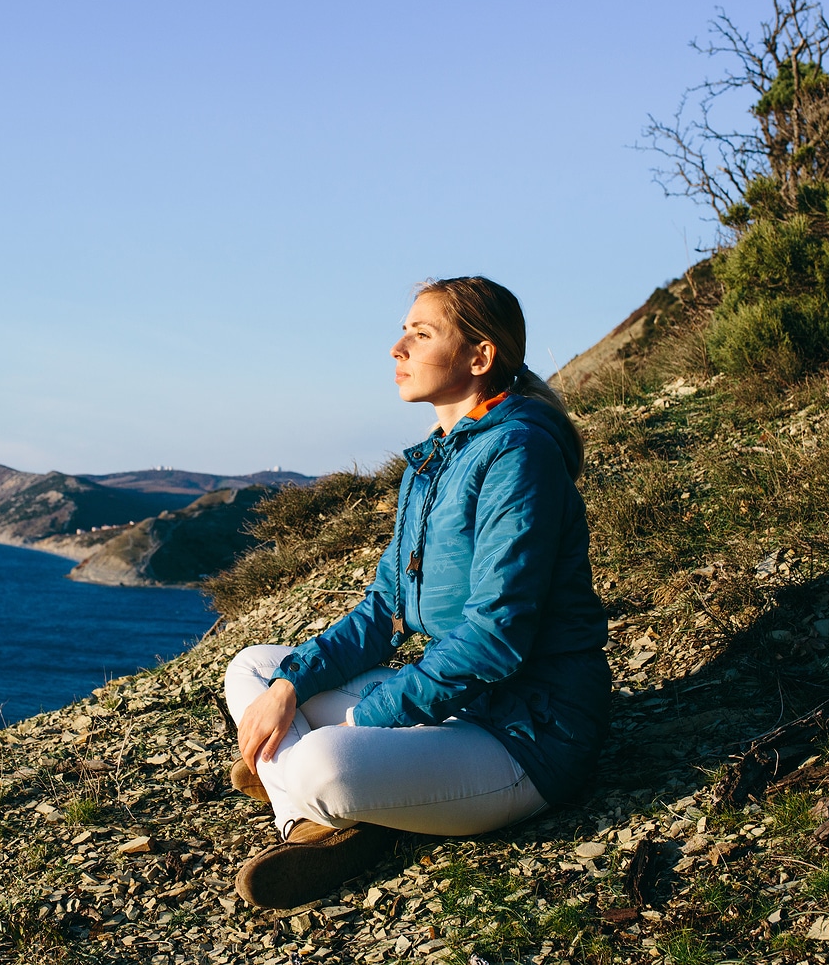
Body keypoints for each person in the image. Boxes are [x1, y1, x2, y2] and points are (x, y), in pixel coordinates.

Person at [223, 276, 610, 909]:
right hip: (459, 709)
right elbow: (384, 610)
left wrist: (361, 720)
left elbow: (494, 641)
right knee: (257, 671)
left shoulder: (519, 455)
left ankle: (312, 790)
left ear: (480, 357)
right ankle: (316, 826)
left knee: (319, 759)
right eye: (404, 330)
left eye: (421, 333)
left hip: (527, 735)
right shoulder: (433, 461)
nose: (397, 347)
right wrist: (292, 687)